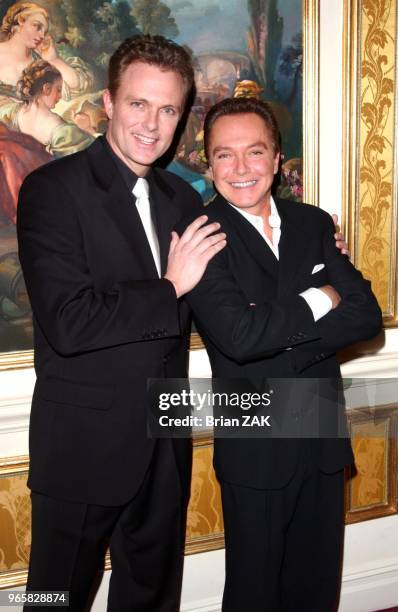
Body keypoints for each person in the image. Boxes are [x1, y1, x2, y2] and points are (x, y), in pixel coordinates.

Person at [17, 34, 227, 611]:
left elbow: (231, 298)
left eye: (168, 109)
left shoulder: (184, 202)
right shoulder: (52, 191)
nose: (152, 125)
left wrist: (313, 257)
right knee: (53, 601)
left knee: (152, 599)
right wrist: (168, 288)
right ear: (108, 102)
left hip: (166, 446)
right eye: (138, 103)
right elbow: (69, 322)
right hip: (82, 449)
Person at [183, 97, 382, 611]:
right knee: (254, 591)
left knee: (317, 588)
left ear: (276, 160)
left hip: (319, 432)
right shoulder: (200, 237)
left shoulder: (314, 223)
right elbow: (240, 338)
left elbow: (364, 315)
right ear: (209, 163)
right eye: (225, 155)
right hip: (256, 445)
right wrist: (321, 297)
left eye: (255, 152)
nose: (241, 168)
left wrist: (276, 334)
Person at [0, 1, 92, 103]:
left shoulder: (40, 62)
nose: (42, 36)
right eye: (37, 26)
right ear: (20, 20)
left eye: (44, 32)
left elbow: (76, 85)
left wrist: (54, 60)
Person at [0, 59, 93, 157]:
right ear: (47, 89)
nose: (60, 96)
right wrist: (88, 129)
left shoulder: (10, 113)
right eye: (58, 90)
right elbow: (90, 157)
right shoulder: (64, 132)